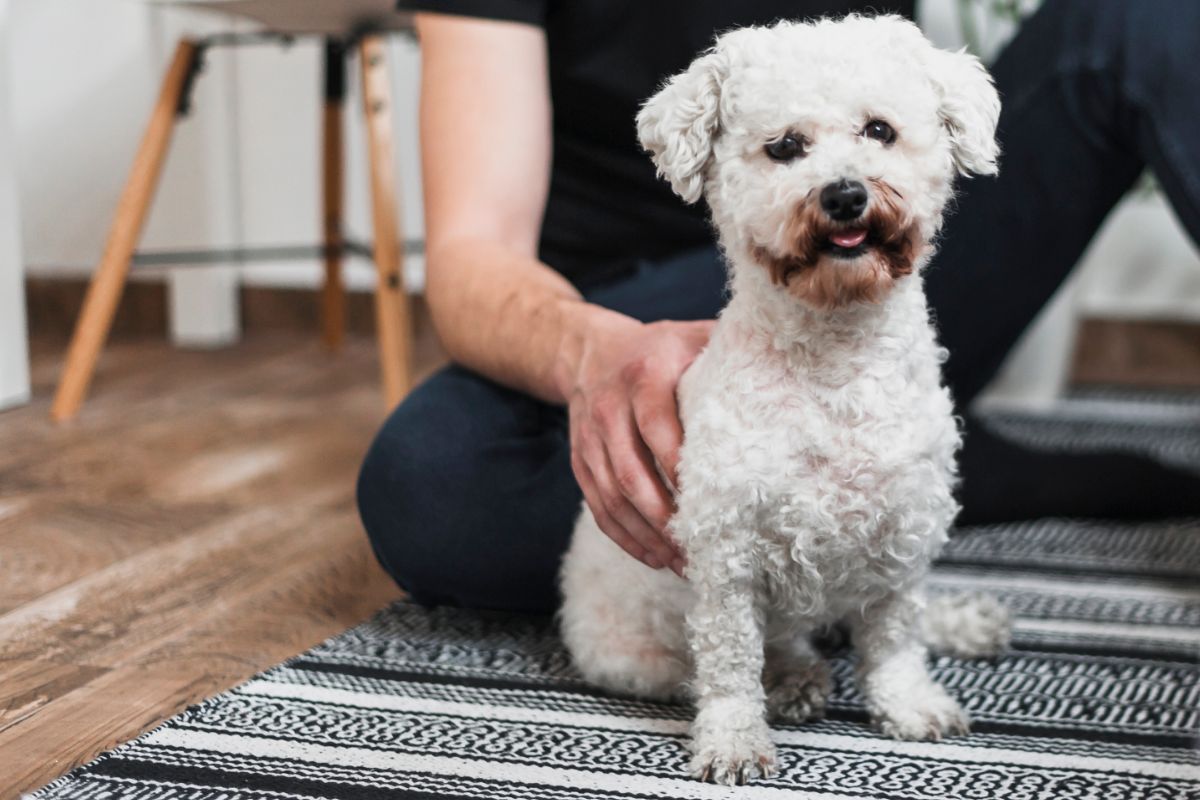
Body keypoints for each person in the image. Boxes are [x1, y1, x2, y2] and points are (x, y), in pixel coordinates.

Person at [357, 0, 1200, 612]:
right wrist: (593, 352)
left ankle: (875, 470)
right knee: (428, 492)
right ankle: (897, 477)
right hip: (645, 312)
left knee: (1138, 15)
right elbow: (474, 254)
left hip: (895, 260)